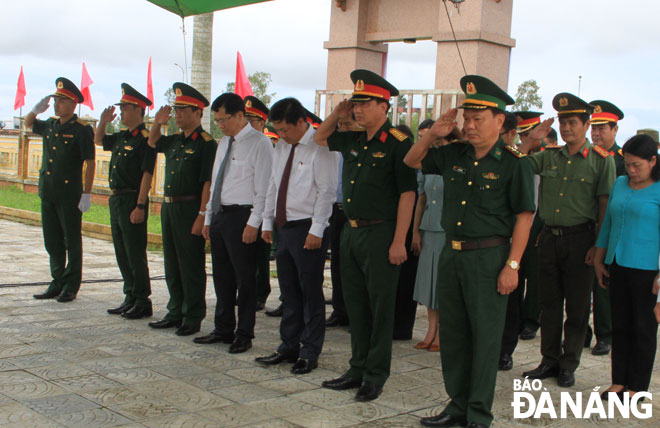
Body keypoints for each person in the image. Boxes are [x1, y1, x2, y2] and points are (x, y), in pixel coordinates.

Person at [404, 75, 535, 428]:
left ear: (499, 121)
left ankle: (479, 412)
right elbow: (412, 161)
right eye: (467, 118)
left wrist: (513, 265)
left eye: (479, 118)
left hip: (489, 258)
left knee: (485, 337)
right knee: (456, 334)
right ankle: (456, 406)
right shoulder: (453, 154)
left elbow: (524, 216)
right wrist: (432, 134)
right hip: (452, 254)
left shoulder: (514, 162)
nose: (470, 124)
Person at [314, 69, 417, 402]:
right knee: (355, 304)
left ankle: (375, 374)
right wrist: (336, 114)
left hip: (382, 233)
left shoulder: (399, 144)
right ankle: (356, 367)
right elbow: (319, 138)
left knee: (380, 307)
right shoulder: (355, 139)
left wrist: (399, 240)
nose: (357, 110)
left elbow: (407, 194)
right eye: (355, 103)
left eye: (365, 103)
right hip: (351, 231)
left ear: (383, 106)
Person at [522, 93, 616, 388]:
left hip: (581, 241)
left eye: (572, 122)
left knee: (576, 308)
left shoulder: (602, 161)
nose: (565, 128)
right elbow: (519, 165)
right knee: (548, 304)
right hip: (549, 238)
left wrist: (597, 248)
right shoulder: (549, 155)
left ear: (586, 125)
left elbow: (604, 207)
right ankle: (548, 360)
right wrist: (530, 141)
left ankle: (568, 363)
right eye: (562, 122)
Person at [256, 97, 338, 374]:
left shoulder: (322, 146)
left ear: (302, 122)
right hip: (285, 226)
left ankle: (309, 351)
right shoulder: (282, 146)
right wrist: (267, 221)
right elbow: (273, 184)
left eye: (286, 130)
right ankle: (288, 346)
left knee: (310, 292)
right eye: (278, 131)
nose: (282, 136)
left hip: (308, 228)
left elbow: (327, 191)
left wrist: (317, 229)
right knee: (289, 292)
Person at [194, 93, 272, 353]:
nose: (221, 125)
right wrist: (208, 216)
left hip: (243, 216)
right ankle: (223, 327)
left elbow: (264, 187)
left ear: (240, 115)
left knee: (245, 279)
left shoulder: (260, 143)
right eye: (217, 121)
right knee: (222, 276)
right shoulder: (224, 143)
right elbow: (216, 181)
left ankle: (244, 332)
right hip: (220, 215)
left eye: (224, 119)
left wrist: (254, 223)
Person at [147, 82, 217, 336]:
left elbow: (207, 183)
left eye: (182, 111)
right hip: (170, 208)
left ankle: (193, 314)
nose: (177, 116)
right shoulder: (175, 140)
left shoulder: (206, 143)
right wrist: (158, 122)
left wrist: (202, 215)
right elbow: (152, 142)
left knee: (191, 265)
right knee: (172, 263)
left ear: (198, 112)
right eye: (175, 111)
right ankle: (175, 309)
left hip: (190, 207)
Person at [593, 134, 660, 400]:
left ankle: (637, 386)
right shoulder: (620, 184)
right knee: (619, 325)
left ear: (653, 161)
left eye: (637, 166)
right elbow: (608, 222)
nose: (631, 171)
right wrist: (599, 257)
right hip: (617, 264)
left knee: (643, 328)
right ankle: (618, 381)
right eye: (628, 165)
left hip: (647, 271)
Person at [26, 77, 95, 303]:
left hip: (69, 194)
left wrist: (87, 192)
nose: (57, 105)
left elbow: (90, 162)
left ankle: (71, 285)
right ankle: (56, 281)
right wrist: (35, 110)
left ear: (73, 103)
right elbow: (28, 123)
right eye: (55, 101)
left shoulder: (82, 130)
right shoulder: (50, 125)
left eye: (62, 101)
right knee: (52, 240)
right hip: (48, 191)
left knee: (71, 240)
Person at [94, 83, 156, 319]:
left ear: (139, 110)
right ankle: (129, 295)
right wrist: (103, 121)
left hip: (132, 198)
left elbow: (147, 174)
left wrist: (140, 205)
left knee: (134, 251)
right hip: (117, 198)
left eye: (125, 108)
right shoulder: (121, 136)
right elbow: (98, 140)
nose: (121, 112)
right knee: (121, 250)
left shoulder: (145, 139)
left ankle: (142, 299)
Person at [584, 100, 625, 356]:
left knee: (602, 286)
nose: (596, 134)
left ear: (615, 129)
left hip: (609, 231)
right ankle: (581, 334)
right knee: (579, 287)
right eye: (594, 128)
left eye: (602, 129)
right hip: (584, 227)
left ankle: (605, 334)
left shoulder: (622, 161)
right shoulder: (588, 158)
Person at [410, 122, 454, 352]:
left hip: (447, 230)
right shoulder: (426, 165)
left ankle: (442, 333)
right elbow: (422, 198)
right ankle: (430, 329)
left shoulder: (454, 164)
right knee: (428, 282)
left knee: (443, 283)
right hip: (428, 228)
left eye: (440, 143)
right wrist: (415, 230)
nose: (436, 148)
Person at [326, 114, 361, 328]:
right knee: (337, 264)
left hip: (355, 213)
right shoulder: (334, 148)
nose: (343, 129)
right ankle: (339, 310)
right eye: (340, 125)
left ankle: (355, 313)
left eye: (348, 124)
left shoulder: (362, 149)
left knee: (354, 266)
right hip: (335, 210)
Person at [244, 95, 274, 311]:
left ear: (262, 122)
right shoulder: (241, 145)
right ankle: (247, 290)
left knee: (259, 255)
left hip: (263, 208)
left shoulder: (267, 145)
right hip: (244, 207)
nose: (248, 124)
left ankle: (260, 293)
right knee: (245, 256)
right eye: (245, 119)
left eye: (252, 120)